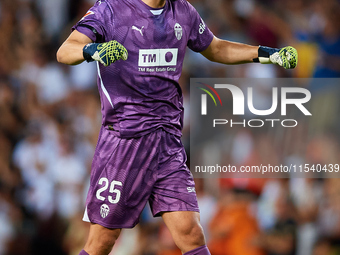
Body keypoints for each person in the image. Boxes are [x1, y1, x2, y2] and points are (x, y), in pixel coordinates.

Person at [57, 0, 298, 254]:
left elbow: (215, 48)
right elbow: (65, 51)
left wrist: (267, 54)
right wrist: (94, 50)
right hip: (125, 142)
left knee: (191, 232)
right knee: (102, 241)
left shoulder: (183, 11)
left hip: (167, 142)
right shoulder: (111, 9)